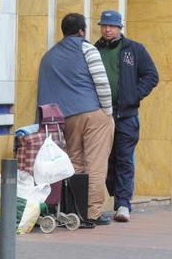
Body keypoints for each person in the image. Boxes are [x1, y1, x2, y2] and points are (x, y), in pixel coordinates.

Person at [37, 13, 115, 226]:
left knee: (74, 162)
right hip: (94, 113)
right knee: (96, 163)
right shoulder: (88, 49)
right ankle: (93, 211)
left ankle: (75, 210)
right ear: (82, 30)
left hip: (67, 117)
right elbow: (101, 82)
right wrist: (108, 112)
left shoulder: (50, 55)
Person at [94, 10, 159, 223]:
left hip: (126, 115)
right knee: (105, 160)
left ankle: (123, 204)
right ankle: (110, 196)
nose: (107, 29)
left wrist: (134, 95)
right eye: (104, 25)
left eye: (112, 26)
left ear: (120, 27)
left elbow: (151, 75)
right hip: (101, 114)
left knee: (124, 159)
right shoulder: (94, 50)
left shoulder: (134, 49)